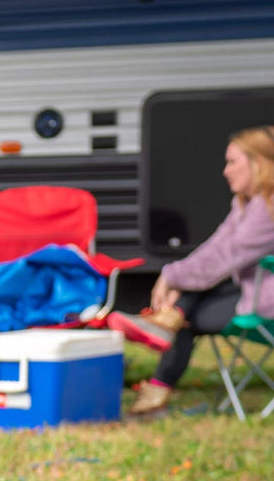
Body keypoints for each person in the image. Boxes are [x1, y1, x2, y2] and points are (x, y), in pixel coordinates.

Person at [111, 127, 274, 416]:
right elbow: (214, 247)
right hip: (250, 291)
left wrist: (170, 276)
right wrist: (175, 276)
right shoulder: (245, 205)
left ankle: (164, 336)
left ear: (257, 163)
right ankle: (166, 326)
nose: (226, 171)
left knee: (186, 316)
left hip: (265, 306)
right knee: (189, 300)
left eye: (233, 162)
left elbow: (223, 258)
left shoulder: (268, 210)